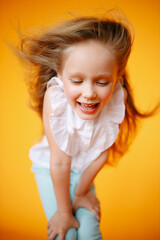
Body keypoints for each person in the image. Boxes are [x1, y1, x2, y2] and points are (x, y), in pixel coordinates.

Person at [16, 12, 159, 240]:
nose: (89, 93)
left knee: (90, 232)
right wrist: (63, 213)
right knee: (67, 234)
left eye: (102, 82)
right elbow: (60, 161)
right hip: (51, 170)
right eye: (77, 81)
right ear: (60, 75)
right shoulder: (56, 98)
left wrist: (82, 191)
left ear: (117, 76)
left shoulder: (116, 98)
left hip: (84, 173)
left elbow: (102, 151)